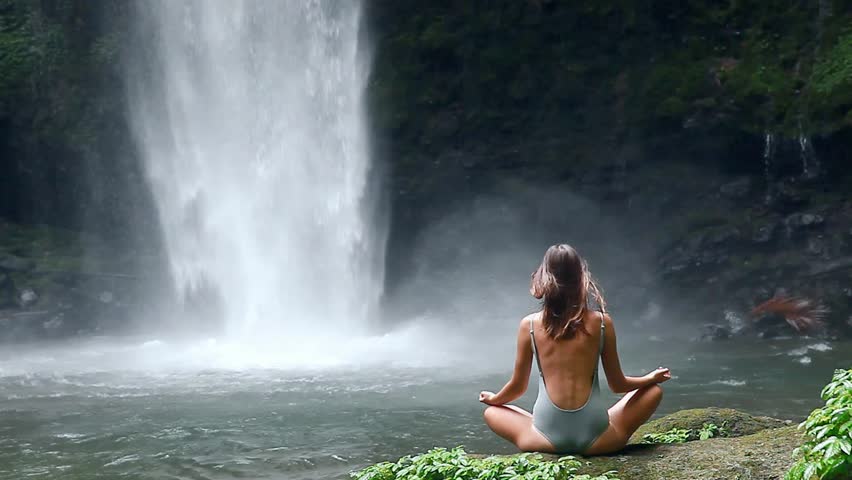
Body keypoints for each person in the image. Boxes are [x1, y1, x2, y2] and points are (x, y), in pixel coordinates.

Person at [479, 244, 671, 455]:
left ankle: (553, 433)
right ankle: (589, 432)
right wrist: (651, 378)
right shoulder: (602, 323)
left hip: (544, 439)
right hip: (598, 439)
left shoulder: (530, 325)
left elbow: (518, 387)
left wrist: (494, 398)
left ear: (543, 278)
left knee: (492, 412)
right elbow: (618, 384)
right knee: (652, 392)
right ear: (581, 278)